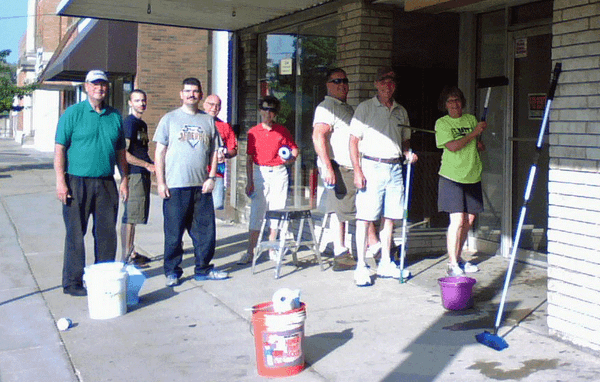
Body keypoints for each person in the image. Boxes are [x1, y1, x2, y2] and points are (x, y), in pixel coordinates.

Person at [54, 69, 129, 297]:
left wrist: (124, 180)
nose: (100, 88)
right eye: (95, 84)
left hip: (106, 183)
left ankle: (103, 278)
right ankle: (73, 282)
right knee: (76, 233)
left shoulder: (115, 116)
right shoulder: (73, 113)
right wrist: (60, 181)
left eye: (103, 84)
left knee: (106, 234)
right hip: (76, 182)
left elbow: (120, 153)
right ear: (86, 86)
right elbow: (60, 149)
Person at [153, 77, 228, 286]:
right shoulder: (169, 119)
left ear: (200, 95)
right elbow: (159, 152)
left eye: (195, 91)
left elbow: (215, 151)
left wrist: (212, 177)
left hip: (201, 186)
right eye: (187, 91)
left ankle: (203, 269)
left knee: (206, 232)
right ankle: (172, 271)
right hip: (175, 186)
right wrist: (161, 182)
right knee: (174, 233)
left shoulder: (208, 121)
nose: (191, 95)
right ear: (181, 94)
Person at [349, 67, 418, 286]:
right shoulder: (365, 108)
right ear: (376, 84)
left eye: (392, 82)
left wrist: (407, 152)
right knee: (365, 218)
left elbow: (404, 139)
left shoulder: (401, 111)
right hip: (371, 166)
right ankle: (361, 266)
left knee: (391, 218)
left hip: (395, 168)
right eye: (384, 82)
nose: (388, 86)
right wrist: (357, 170)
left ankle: (386, 262)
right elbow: (353, 141)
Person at [312, 68, 380, 271]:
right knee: (345, 209)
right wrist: (327, 166)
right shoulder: (326, 108)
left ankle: (368, 247)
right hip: (339, 166)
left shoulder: (345, 107)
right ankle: (345, 252)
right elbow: (318, 137)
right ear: (328, 85)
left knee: (352, 208)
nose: (342, 85)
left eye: (345, 81)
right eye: (337, 81)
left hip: (351, 166)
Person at [239, 95, 299, 265]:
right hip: (260, 173)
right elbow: (249, 159)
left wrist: (291, 158)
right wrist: (249, 181)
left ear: (275, 113)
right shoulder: (253, 132)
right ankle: (251, 251)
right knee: (257, 211)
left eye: (272, 110)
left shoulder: (282, 131)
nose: (268, 113)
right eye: (265, 109)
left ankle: (272, 248)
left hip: (279, 172)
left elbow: (294, 149)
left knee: (277, 210)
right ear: (260, 110)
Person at [435, 86, 485, 276]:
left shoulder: (471, 119)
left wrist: (478, 142)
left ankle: (458, 257)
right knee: (457, 220)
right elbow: (454, 146)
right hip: (452, 177)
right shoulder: (442, 123)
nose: (454, 104)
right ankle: (452, 263)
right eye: (450, 101)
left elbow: (475, 144)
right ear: (445, 105)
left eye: (457, 100)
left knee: (469, 219)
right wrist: (473, 134)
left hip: (472, 175)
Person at [120, 89, 155, 266]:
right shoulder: (129, 123)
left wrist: (153, 165)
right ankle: (126, 256)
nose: (141, 103)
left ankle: (131, 252)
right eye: (137, 100)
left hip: (142, 173)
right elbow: (124, 153)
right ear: (130, 103)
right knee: (130, 217)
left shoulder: (141, 125)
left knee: (135, 215)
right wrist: (146, 165)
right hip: (134, 174)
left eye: (143, 100)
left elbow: (142, 150)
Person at [203, 94, 238, 210]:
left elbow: (234, 149)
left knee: (216, 204)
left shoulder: (224, 126)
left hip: (217, 173)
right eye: (211, 104)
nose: (214, 108)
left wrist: (225, 154)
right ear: (204, 105)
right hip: (197, 172)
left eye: (217, 106)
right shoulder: (196, 123)